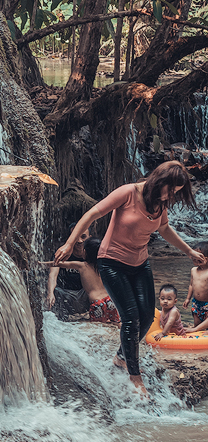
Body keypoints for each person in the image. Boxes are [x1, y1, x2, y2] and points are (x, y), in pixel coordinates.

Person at [53, 162, 205, 394]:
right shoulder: (129, 192)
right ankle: (135, 376)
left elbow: (164, 229)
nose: (170, 195)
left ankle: (121, 356)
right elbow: (93, 213)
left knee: (145, 316)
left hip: (140, 264)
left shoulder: (160, 204)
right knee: (131, 318)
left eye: (175, 192)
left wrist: (189, 251)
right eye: (170, 189)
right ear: (159, 180)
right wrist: (70, 243)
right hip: (112, 263)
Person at [47, 237, 121, 322]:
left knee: (97, 327)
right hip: (109, 300)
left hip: (97, 303)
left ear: (85, 252)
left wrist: (42, 264)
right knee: (116, 323)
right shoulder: (102, 265)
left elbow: (57, 264)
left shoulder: (82, 265)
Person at [184, 246, 208, 327]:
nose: (193, 257)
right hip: (196, 303)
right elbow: (191, 285)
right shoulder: (193, 270)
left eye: (197, 255)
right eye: (193, 255)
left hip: (207, 303)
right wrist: (188, 298)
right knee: (197, 323)